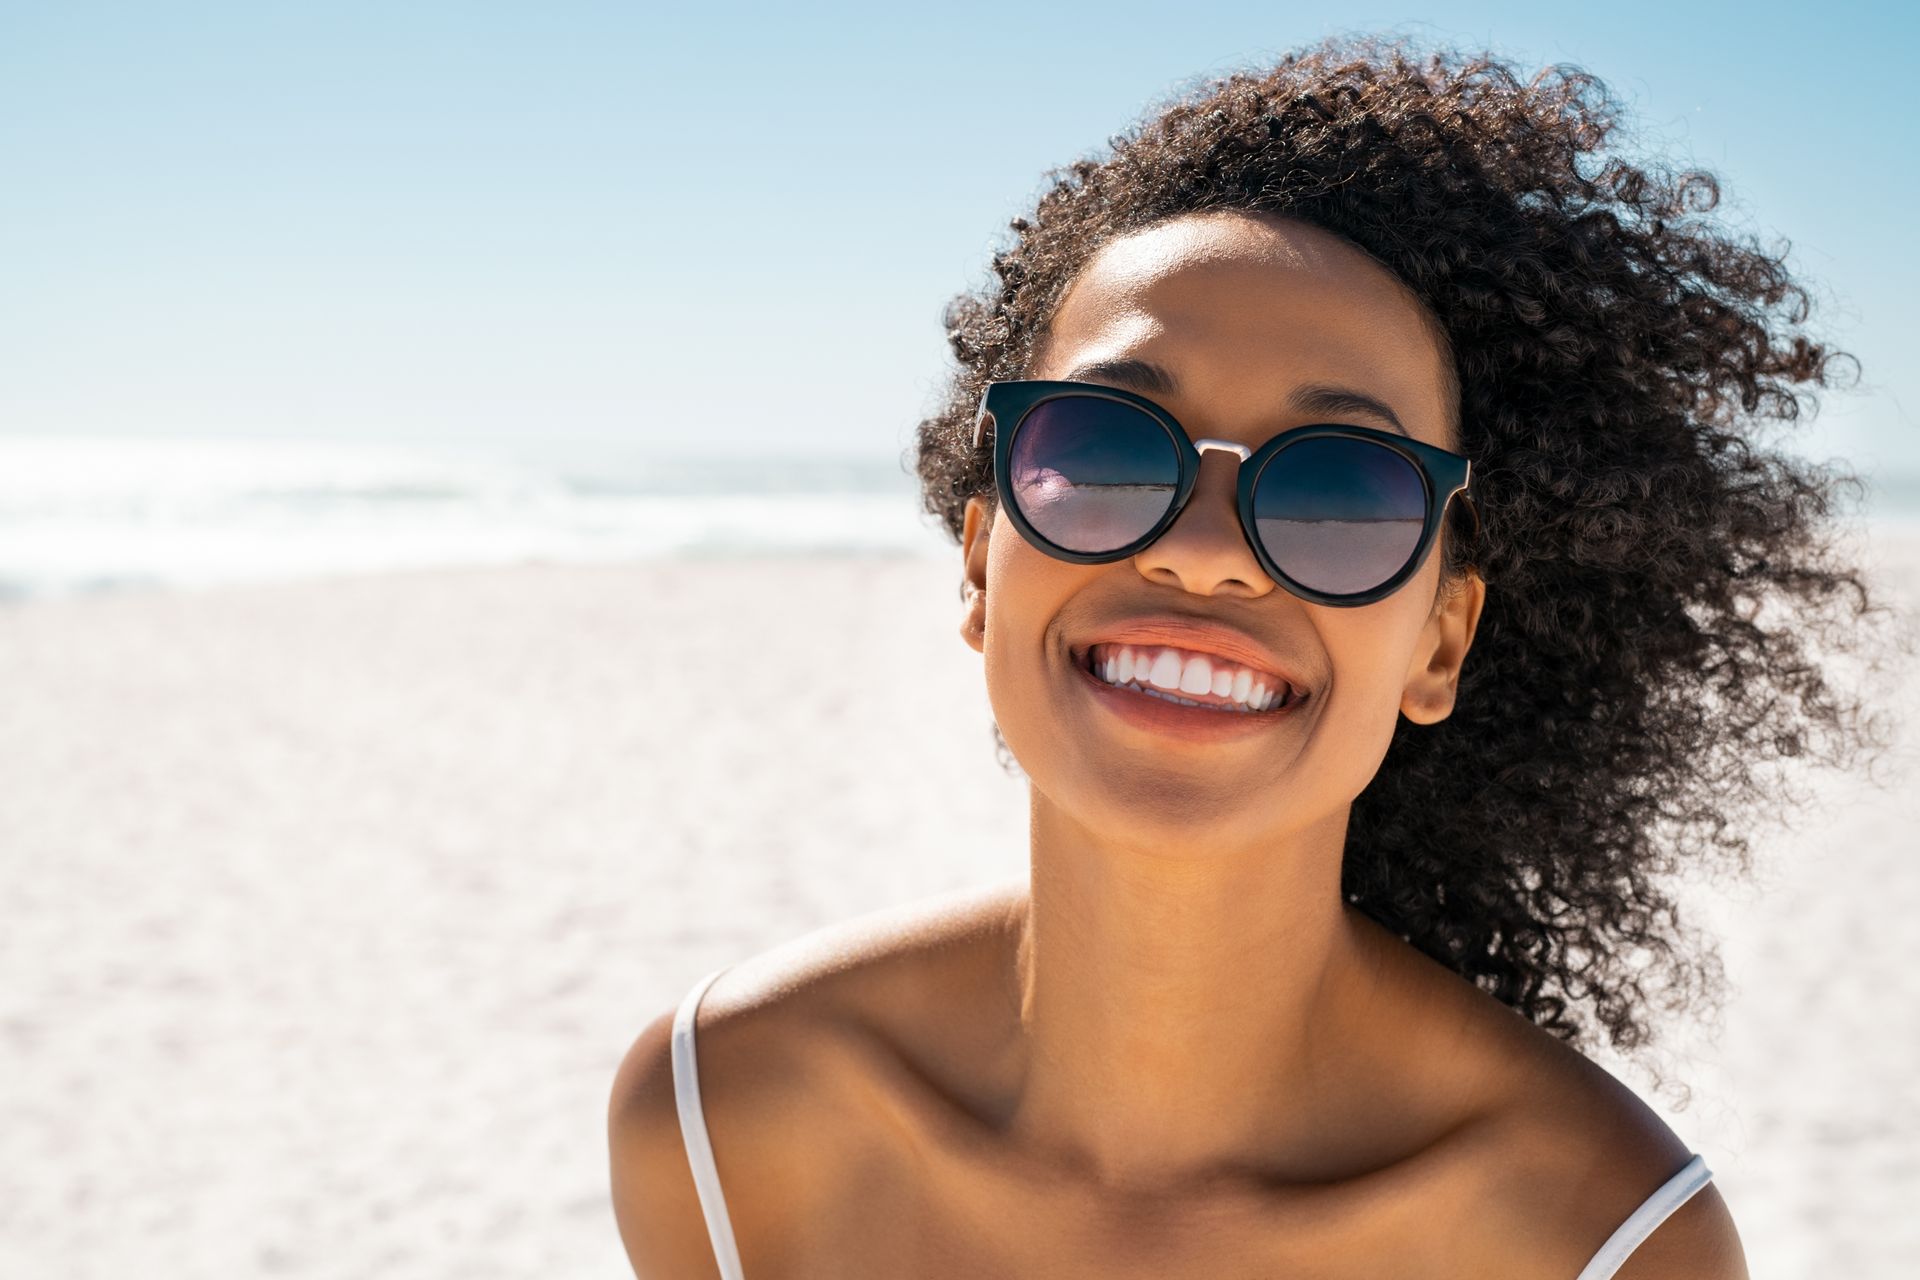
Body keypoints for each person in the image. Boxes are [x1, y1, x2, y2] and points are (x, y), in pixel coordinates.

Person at [609, 39, 1885, 1278]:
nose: (1210, 555)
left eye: (1340, 486)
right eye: (1109, 451)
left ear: (1440, 638)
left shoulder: (1597, 1241)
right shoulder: (723, 1115)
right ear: (984, 554)